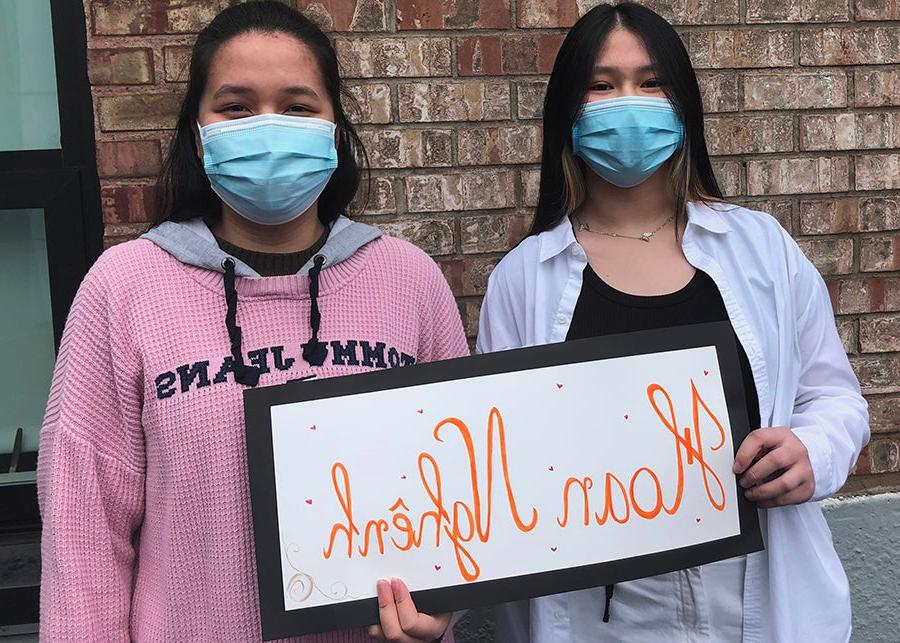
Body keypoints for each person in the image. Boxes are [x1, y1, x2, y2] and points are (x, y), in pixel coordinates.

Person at [37, 2, 466, 641]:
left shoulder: (410, 281)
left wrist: (440, 611)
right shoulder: (124, 288)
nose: (268, 128)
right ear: (195, 131)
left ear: (337, 128)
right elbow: (84, 525)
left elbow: (461, 493)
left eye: (298, 107)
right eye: (235, 107)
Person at [476, 3, 869, 642]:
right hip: (602, 616)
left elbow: (833, 397)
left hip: (758, 597)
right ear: (567, 114)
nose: (627, 102)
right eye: (601, 86)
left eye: (650, 82)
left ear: (683, 104)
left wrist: (812, 453)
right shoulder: (524, 278)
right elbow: (504, 462)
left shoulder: (760, 247)